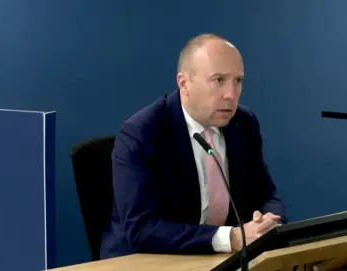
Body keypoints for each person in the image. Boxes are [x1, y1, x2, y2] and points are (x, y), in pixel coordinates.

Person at [100, 33, 288, 259]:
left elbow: (266, 193)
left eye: (237, 81)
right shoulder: (142, 132)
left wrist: (270, 222)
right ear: (184, 83)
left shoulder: (243, 123)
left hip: (219, 257)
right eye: (218, 80)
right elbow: (142, 228)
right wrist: (230, 238)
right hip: (144, 259)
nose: (230, 95)